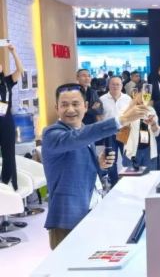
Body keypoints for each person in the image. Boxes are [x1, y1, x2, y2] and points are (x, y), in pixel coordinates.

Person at [42, 83, 149, 249]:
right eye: (64, 105)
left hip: (92, 210)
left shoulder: (83, 129)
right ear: (57, 108)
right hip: (67, 218)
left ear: (85, 107)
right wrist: (122, 120)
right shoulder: (52, 134)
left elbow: (76, 162)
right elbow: (77, 138)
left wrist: (99, 163)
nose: (70, 109)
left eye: (75, 104)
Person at [99, 76, 132, 186]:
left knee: (127, 158)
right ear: (109, 85)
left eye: (118, 84)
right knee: (111, 159)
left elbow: (131, 115)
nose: (115, 86)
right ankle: (113, 182)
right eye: (113, 84)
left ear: (122, 86)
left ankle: (128, 182)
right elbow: (99, 117)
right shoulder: (102, 99)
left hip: (124, 131)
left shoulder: (127, 99)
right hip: (109, 133)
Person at [0, 43, 23, 190]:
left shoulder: (7, 81)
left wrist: (13, 52)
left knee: (9, 154)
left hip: (6, 121)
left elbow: (20, 70)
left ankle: (6, 183)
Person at [123, 93, 160, 170]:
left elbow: (156, 133)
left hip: (149, 151)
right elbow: (122, 124)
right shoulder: (130, 110)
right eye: (141, 95)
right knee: (131, 176)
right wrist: (132, 105)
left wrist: (153, 124)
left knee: (150, 175)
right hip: (133, 151)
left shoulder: (151, 110)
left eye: (145, 96)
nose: (143, 98)